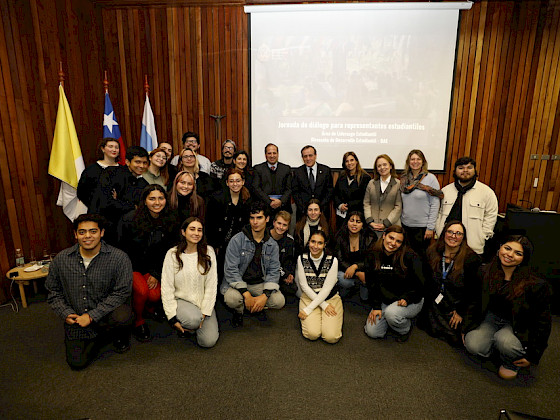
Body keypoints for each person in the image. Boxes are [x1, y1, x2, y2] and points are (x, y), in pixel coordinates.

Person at [46, 214, 133, 370]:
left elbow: (122, 292)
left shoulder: (119, 258)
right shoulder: (61, 260)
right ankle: (96, 336)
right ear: (75, 235)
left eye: (93, 231)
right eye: (82, 232)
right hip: (77, 316)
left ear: (102, 233)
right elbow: (53, 291)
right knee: (77, 363)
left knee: (123, 316)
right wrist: (65, 313)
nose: (87, 236)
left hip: (106, 313)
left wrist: (92, 316)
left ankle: (113, 333)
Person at [463, 235, 552, 380]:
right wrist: (465, 327)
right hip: (490, 318)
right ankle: (497, 348)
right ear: (499, 249)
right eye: (507, 248)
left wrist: (533, 355)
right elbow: (473, 301)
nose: (510, 255)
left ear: (524, 258)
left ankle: (510, 361)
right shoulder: (485, 271)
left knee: (504, 341)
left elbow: (543, 322)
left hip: (517, 325)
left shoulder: (536, 284)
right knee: (472, 344)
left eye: (518, 253)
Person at [118, 184, 175, 342]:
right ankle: (139, 320)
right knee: (142, 291)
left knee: (155, 295)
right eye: (152, 199)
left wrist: (156, 273)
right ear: (144, 201)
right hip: (132, 266)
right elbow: (121, 249)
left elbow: (168, 251)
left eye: (161, 198)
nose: (157, 202)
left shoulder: (169, 219)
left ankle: (148, 309)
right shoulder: (129, 219)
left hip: (154, 268)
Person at [221, 201, 285, 327]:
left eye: (259, 217)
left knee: (279, 301)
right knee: (232, 299)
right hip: (238, 283)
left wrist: (264, 297)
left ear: (267, 219)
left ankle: (256, 306)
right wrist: (246, 294)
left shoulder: (272, 244)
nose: (255, 222)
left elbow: (274, 272)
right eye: (252, 218)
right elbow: (230, 270)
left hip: (259, 283)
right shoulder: (237, 240)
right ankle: (239, 310)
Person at [161, 217, 219, 348]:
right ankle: (189, 324)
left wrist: (204, 313)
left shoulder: (208, 252)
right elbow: (167, 288)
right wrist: (172, 317)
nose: (196, 233)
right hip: (182, 302)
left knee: (208, 342)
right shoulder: (172, 254)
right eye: (192, 229)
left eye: (199, 230)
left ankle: (193, 326)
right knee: (193, 320)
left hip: (203, 303)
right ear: (183, 232)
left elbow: (211, 285)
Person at [421, 220, 480, 347]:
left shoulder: (471, 259)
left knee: (455, 338)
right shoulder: (432, 252)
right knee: (428, 327)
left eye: (458, 233)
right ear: (444, 234)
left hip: (457, 304)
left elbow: (474, 291)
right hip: (436, 300)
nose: (453, 236)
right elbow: (426, 280)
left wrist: (461, 311)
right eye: (450, 232)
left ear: (463, 238)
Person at [364, 225, 425, 342]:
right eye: (391, 238)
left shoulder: (411, 256)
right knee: (372, 332)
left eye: (398, 241)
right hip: (385, 300)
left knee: (392, 314)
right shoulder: (372, 254)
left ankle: (404, 328)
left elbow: (421, 284)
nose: (393, 243)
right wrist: (376, 307)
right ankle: (391, 319)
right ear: (384, 236)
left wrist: (408, 298)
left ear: (402, 243)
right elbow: (371, 284)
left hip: (410, 299)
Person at [435, 156, 498, 255]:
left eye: (469, 167)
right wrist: (439, 229)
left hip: (472, 245)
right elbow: (438, 213)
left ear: (474, 170)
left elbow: (491, 215)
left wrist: (483, 235)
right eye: (461, 168)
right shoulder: (446, 191)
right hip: (446, 244)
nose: (465, 171)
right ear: (455, 171)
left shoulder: (486, 192)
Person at [89, 146, 150, 244]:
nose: (141, 166)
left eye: (145, 163)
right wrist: (132, 206)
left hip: (129, 232)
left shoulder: (144, 184)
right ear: (127, 162)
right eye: (138, 162)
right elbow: (106, 202)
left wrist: (119, 201)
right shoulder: (111, 173)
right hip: (106, 229)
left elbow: (141, 208)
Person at [296, 230, 342, 344]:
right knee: (312, 334)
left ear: (324, 244)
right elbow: (304, 286)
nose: (315, 246)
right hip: (309, 297)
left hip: (330, 298)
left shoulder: (333, 260)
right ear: (308, 242)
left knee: (331, 337)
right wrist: (322, 305)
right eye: (313, 242)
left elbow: (327, 288)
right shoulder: (301, 258)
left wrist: (310, 309)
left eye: (320, 243)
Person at [400, 150, 442, 256]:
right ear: (408, 162)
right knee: (405, 256)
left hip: (422, 228)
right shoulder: (404, 179)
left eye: (418, 159)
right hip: (405, 225)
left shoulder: (430, 178)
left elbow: (435, 204)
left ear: (423, 162)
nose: (415, 162)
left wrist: (430, 227)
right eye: (412, 159)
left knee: (420, 258)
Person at [206, 168, 251, 257]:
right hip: (220, 245)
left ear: (243, 182)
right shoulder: (216, 198)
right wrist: (214, 245)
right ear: (227, 183)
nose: (235, 184)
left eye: (238, 181)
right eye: (231, 181)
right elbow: (210, 224)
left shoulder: (248, 199)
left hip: (240, 244)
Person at [335, 211, 373, 301]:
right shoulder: (340, 237)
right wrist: (355, 272)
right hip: (346, 270)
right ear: (347, 222)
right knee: (341, 279)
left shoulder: (370, 237)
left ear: (362, 224)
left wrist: (356, 266)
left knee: (365, 298)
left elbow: (370, 260)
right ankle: (354, 285)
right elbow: (340, 260)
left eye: (358, 222)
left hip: (364, 271)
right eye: (352, 221)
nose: (354, 224)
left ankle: (361, 285)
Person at [363, 154, 402, 239]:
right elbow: (366, 203)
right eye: (379, 166)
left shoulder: (398, 184)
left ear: (390, 166)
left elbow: (398, 206)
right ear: (376, 169)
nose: (382, 168)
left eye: (385, 164)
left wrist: (386, 223)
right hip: (373, 228)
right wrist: (370, 221)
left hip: (392, 227)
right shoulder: (371, 183)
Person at [77, 137, 120, 211]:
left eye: (116, 147)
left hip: (119, 212)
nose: (114, 150)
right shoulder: (91, 169)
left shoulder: (123, 170)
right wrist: (95, 205)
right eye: (110, 147)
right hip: (96, 212)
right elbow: (81, 192)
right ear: (103, 149)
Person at [292, 145, 333, 219]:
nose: (308, 158)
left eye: (310, 155)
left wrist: (319, 208)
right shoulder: (297, 172)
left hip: (322, 212)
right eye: (305, 156)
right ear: (302, 158)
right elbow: (295, 193)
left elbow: (329, 191)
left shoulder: (326, 170)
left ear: (315, 156)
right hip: (303, 213)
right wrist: (305, 209)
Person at [333, 151, 371, 230]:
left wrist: (347, 206)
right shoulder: (342, 176)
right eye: (346, 161)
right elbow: (336, 194)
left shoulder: (365, 177)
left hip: (357, 216)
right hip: (341, 216)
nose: (349, 163)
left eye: (352, 160)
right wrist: (340, 205)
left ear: (356, 161)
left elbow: (365, 198)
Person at [252, 143, 293, 216]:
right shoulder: (258, 169)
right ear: (265, 155)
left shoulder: (286, 169)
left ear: (278, 154)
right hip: (264, 207)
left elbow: (289, 189)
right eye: (269, 153)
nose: (272, 156)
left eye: (274, 153)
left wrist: (280, 201)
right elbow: (256, 188)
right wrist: (269, 202)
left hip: (283, 208)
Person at [269, 210, 297, 298]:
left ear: (288, 227)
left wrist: (289, 275)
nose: (281, 227)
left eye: (284, 225)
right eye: (279, 223)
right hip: (265, 272)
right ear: (274, 223)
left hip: (280, 273)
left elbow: (289, 261)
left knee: (292, 289)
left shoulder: (289, 241)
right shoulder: (264, 236)